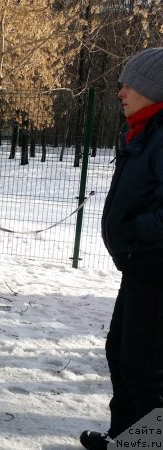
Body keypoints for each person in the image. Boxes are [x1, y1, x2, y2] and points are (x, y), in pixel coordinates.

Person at [80, 47, 163, 450]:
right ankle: (124, 438)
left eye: (128, 84)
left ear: (154, 88)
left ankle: (146, 445)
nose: (120, 92)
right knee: (121, 354)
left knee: (146, 367)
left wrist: (132, 231)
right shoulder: (145, 130)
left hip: (155, 268)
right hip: (140, 268)